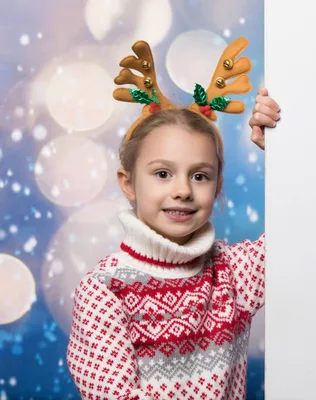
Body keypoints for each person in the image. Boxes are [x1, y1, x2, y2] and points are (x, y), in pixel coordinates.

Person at [66, 37, 280, 400]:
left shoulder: (230, 274)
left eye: (199, 176)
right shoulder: (104, 290)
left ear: (217, 186)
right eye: (163, 174)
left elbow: (306, 234)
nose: (182, 190)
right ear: (128, 183)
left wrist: (281, 150)